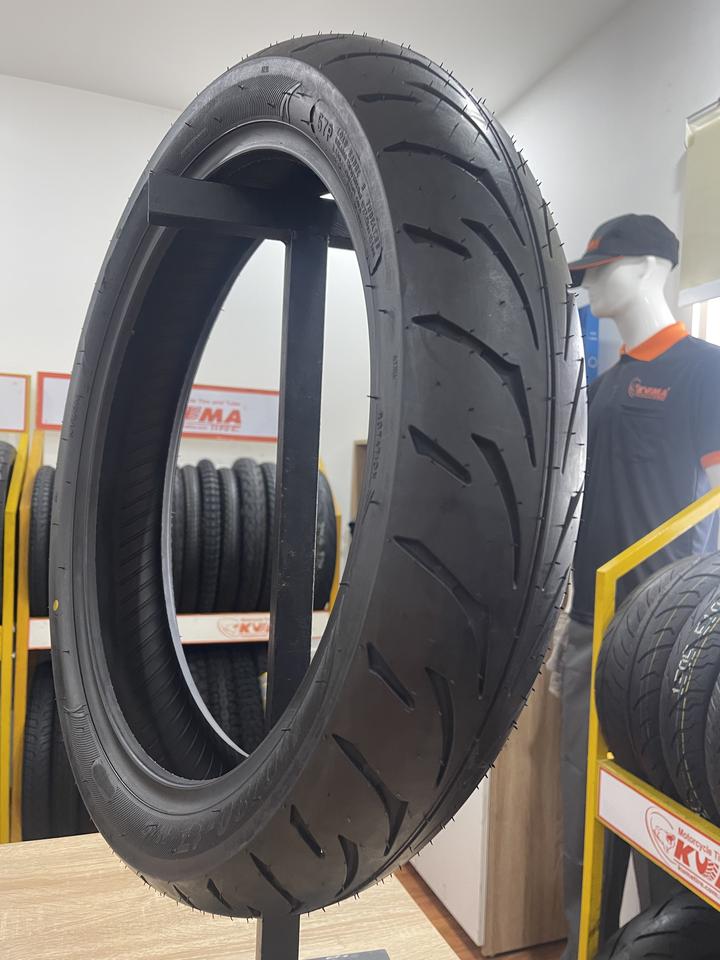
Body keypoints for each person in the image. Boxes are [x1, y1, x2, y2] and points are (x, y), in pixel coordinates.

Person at [552, 213, 720, 959]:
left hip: (665, 648)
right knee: (580, 823)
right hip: (590, 631)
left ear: (652, 267)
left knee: (664, 832)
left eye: (603, 266)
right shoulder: (603, 387)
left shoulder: (704, 371)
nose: (589, 282)